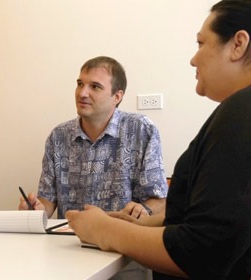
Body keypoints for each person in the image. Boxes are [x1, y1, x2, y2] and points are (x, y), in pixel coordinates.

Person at [66, 1, 251, 279]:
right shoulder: (236, 112)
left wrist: (104, 230)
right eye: (80, 84)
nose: (193, 59)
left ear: (238, 45)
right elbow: (222, 221)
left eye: (201, 43)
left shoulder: (240, 113)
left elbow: (202, 251)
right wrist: (143, 225)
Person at [19, 56, 168, 220]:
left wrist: (144, 209)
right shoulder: (58, 136)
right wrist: (37, 210)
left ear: (117, 97)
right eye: (80, 84)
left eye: (95, 87)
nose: (82, 93)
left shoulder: (141, 130)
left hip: (121, 238)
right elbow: (47, 200)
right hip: (68, 239)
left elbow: (159, 200)